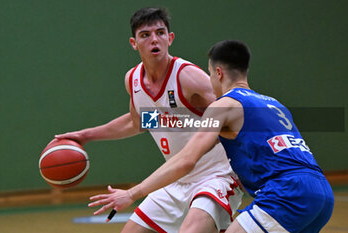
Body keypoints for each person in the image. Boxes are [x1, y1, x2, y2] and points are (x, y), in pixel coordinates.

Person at [90, 40, 334, 232]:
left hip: (285, 192)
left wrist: (133, 193)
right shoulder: (274, 104)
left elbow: (187, 159)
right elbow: (177, 123)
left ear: (218, 73)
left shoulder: (223, 105)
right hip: (321, 192)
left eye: (208, 73)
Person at [56, 8, 242, 233]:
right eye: (145, 35)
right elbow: (137, 123)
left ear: (170, 38)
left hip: (216, 175)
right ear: (134, 43)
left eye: (160, 33)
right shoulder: (133, 80)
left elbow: (231, 117)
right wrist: (85, 136)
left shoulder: (187, 76)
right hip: (176, 178)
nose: (154, 39)